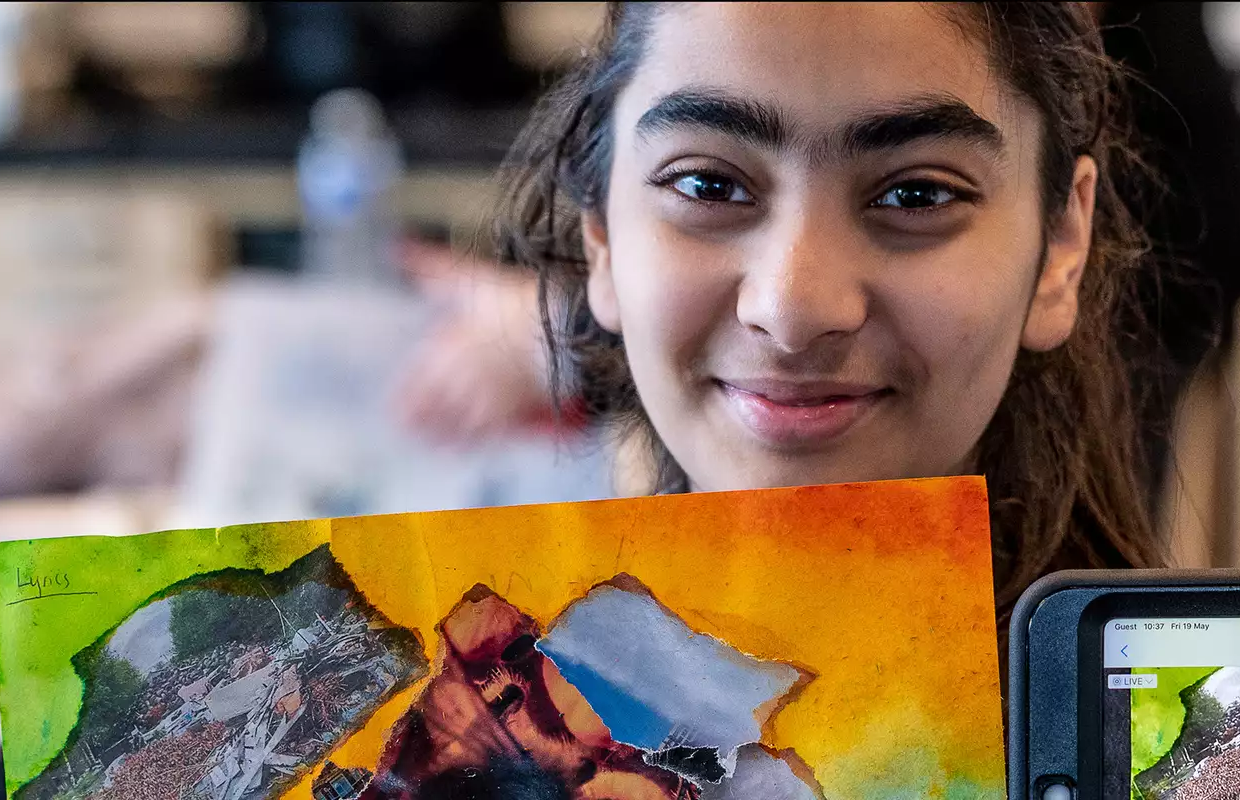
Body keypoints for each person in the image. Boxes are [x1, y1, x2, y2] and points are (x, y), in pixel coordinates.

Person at [496, 2, 1163, 609]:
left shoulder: (1184, 738)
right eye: (708, 184)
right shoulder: (478, 697)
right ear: (603, 239)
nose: (793, 309)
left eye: (916, 196)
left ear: (1059, 248)